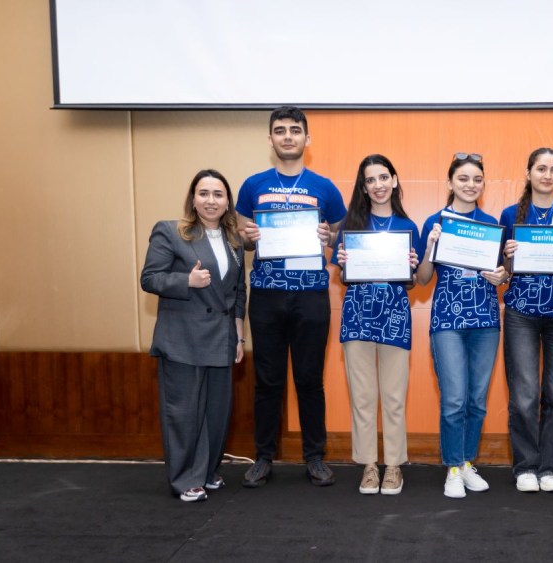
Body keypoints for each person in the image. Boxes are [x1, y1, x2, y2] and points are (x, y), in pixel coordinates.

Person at [235, 106, 347, 487]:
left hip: (311, 296)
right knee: (267, 381)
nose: (288, 136)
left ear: (306, 139)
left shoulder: (325, 187)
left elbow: (341, 236)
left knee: (310, 380)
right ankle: (263, 457)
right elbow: (240, 238)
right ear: (270, 139)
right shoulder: (253, 185)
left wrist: (329, 237)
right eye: (280, 130)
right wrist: (248, 237)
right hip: (266, 296)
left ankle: (315, 457)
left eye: (295, 130)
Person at [140, 169, 247, 502]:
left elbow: (238, 291)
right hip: (182, 340)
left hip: (221, 339)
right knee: (184, 414)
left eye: (218, 194)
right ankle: (186, 479)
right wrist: (186, 280)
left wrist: (239, 335)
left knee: (217, 413)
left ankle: (208, 471)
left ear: (227, 202)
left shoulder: (234, 241)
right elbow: (150, 278)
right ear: (193, 199)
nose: (211, 200)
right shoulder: (171, 231)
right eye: (204, 193)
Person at [416, 153, 509, 499]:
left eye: (477, 179)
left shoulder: (491, 224)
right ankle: (453, 467)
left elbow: (502, 273)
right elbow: (422, 279)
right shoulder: (436, 221)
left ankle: (468, 463)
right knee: (454, 399)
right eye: (463, 178)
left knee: (477, 401)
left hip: (486, 320)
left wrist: (502, 276)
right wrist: (430, 246)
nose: (471, 185)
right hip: (447, 321)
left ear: (484, 184)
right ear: (450, 182)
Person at [331, 154, 420, 495]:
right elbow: (343, 276)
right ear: (364, 187)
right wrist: (343, 264)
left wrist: (411, 267)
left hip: (395, 318)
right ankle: (369, 465)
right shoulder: (350, 225)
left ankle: (394, 465)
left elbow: (412, 282)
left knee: (394, 397)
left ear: (394, 180)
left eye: (383, 177)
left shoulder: (408, 226)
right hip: (357, 317)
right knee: (363, 397)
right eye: (370, 180)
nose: (378, 185)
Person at [499, 148, 553, 493]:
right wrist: (507, 259)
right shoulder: (510, 214)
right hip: (521, 313)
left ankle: (549, 468)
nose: (547, 175)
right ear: (529, 173)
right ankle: (525, 467)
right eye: (541, 169)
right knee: (524, 395)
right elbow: (503, 271)